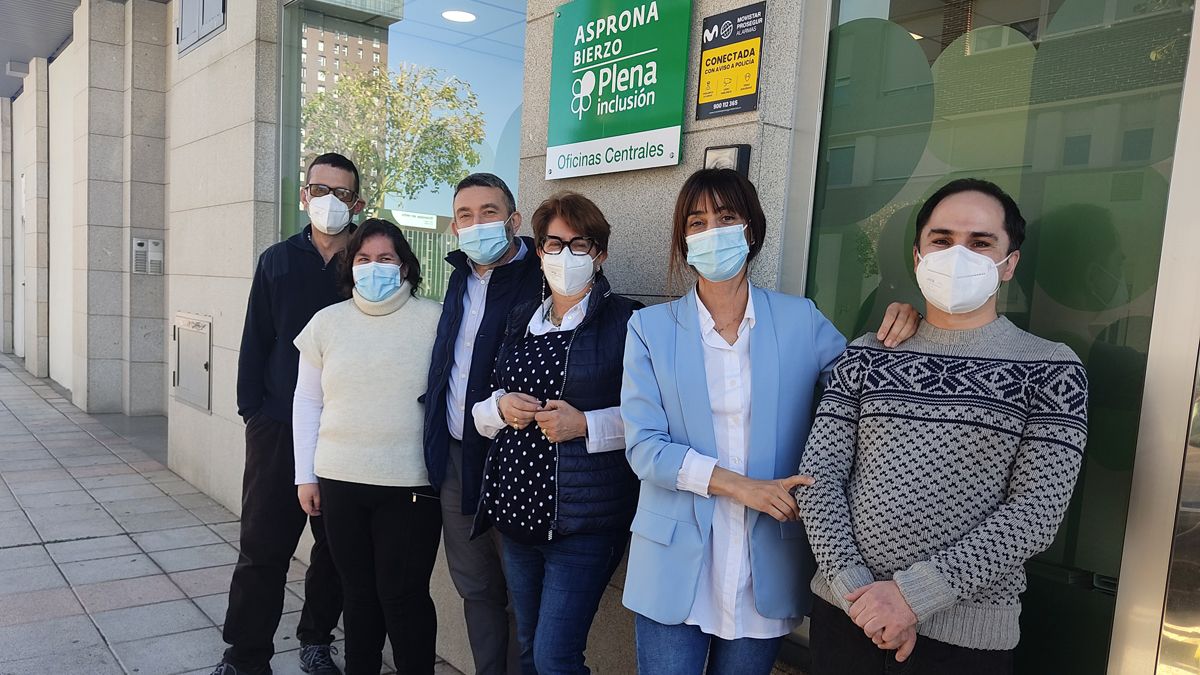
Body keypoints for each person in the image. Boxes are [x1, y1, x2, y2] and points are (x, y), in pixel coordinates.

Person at [620, 168, 921, 675]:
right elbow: (645, 448)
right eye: (697, 221)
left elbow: (863, 390)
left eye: (727, 216)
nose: (712, 230)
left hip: (766, 561)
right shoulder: (649, 328)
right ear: (683, 238)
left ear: (751, 229)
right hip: (673, 563)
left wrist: (911, 326)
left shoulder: (799, 319)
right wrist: (743, 487)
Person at [796, 178, 1089, 675]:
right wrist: (860, 597)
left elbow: (1036, 513)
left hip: (966, 638)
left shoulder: (1052, 369)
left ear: (1010, 263)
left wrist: (910, 599)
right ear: (918, 255)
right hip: (846, 617)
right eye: (942, 239)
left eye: (980, 243)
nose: (958, 254)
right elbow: (818, 478)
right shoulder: (866, 355)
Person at [471, 192, 640, 675]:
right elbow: (483, 409)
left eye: (579, 244)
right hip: (516, 514)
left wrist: (585, 423)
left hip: (583, 524)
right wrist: (501, 407)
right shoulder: (521, 318)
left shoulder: (628, 322)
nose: (565, 256)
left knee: (554, 657)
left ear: (600, 254)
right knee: (528, 645)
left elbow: (654, 420)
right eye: (553, 244)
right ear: (540, 251)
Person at [214, 153, 362, 675]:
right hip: (278, 427)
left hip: (345, 431)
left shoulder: (368, 263)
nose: (329, 201)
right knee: (262, 548)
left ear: (357, 203)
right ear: (304, 195)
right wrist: (252, 411)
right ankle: (246, 654)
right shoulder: (276, 260)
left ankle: (316, 640)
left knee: (337, 551)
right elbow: (255, 339)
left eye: (341, 193)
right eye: (319, 189)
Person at [292, 219, 442, 675]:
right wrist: (305, 475)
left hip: (411, 485)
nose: (372, 267)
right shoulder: (326, 323)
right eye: (363, 259)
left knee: (403, 597)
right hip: (340, 482)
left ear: (404, 267)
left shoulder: (435, 319)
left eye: (385, 258)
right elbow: (307, 401)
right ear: (349, 266)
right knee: (357, 595)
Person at [422, 173, 541, 674]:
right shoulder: (459, 277)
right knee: (475, 588)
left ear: (513, 219)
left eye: (489, 212)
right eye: (465, 215)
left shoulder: (546, 275)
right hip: (456, 461)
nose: (477, 224)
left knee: (524, 594)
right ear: (454, 227)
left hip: (517, 463)